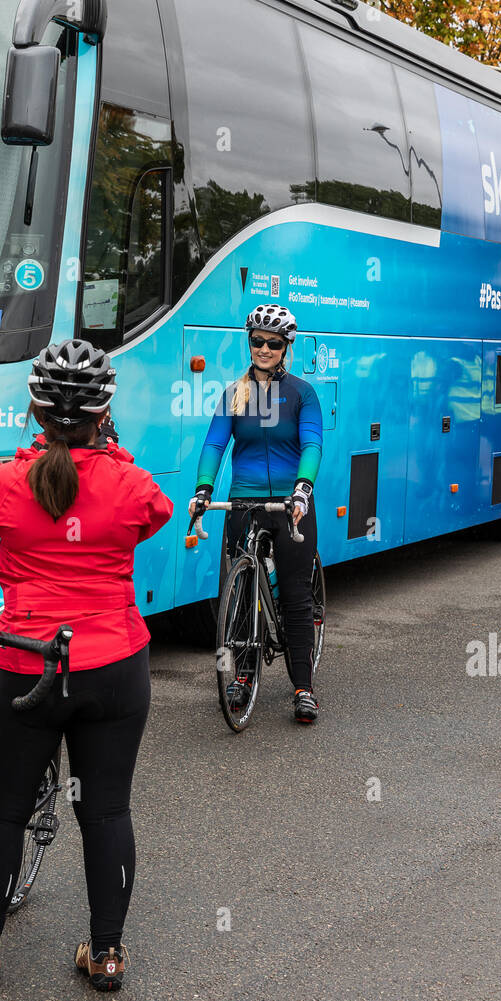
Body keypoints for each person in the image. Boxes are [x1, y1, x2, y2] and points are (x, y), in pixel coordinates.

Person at [0, 339, 172, 991]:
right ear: (104, 413)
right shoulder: (132, 485)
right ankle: (106, 955)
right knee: (106, 811)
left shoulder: (5, 484)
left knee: (6, 808)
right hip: (112, 663)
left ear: (35, 410)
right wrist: (109, 455)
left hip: (26, 663)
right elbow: (149, 516)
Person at [188, 304, 323, 723]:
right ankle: (242, 677)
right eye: (257, 341)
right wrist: (203, 489)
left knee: (297, 597)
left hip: (289, 504)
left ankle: (303, 687)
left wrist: (302, 489)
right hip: (244, 502)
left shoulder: (302, 393)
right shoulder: (234, 393)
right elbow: (214, 445)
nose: (264, 348)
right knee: (240, 593)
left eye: (273, 342)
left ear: (286, 347)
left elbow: (312, 444)